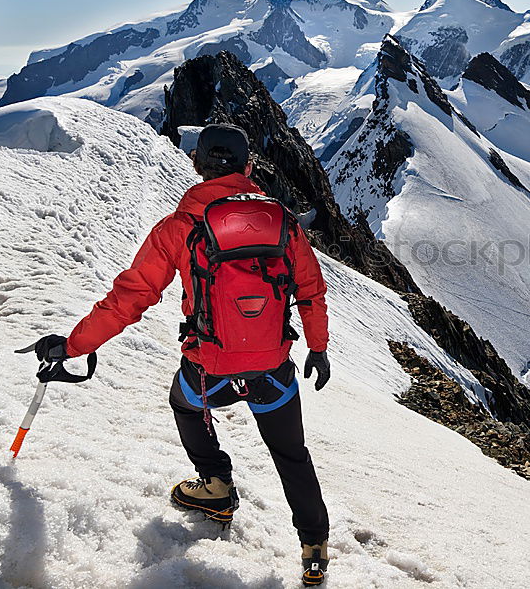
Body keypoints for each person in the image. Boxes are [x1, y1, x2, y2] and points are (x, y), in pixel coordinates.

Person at [28, 124, 333, 586]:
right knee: (291, 454)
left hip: (208, 369)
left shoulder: (180, 227)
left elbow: (130, 297)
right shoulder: (283, 223)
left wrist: (73, 346)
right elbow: (310, 289)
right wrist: (317, 346)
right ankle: (314, 548)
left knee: (184, 404)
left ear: (198, 167)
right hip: (273, 368)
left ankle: (215, 484)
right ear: (248, 168)